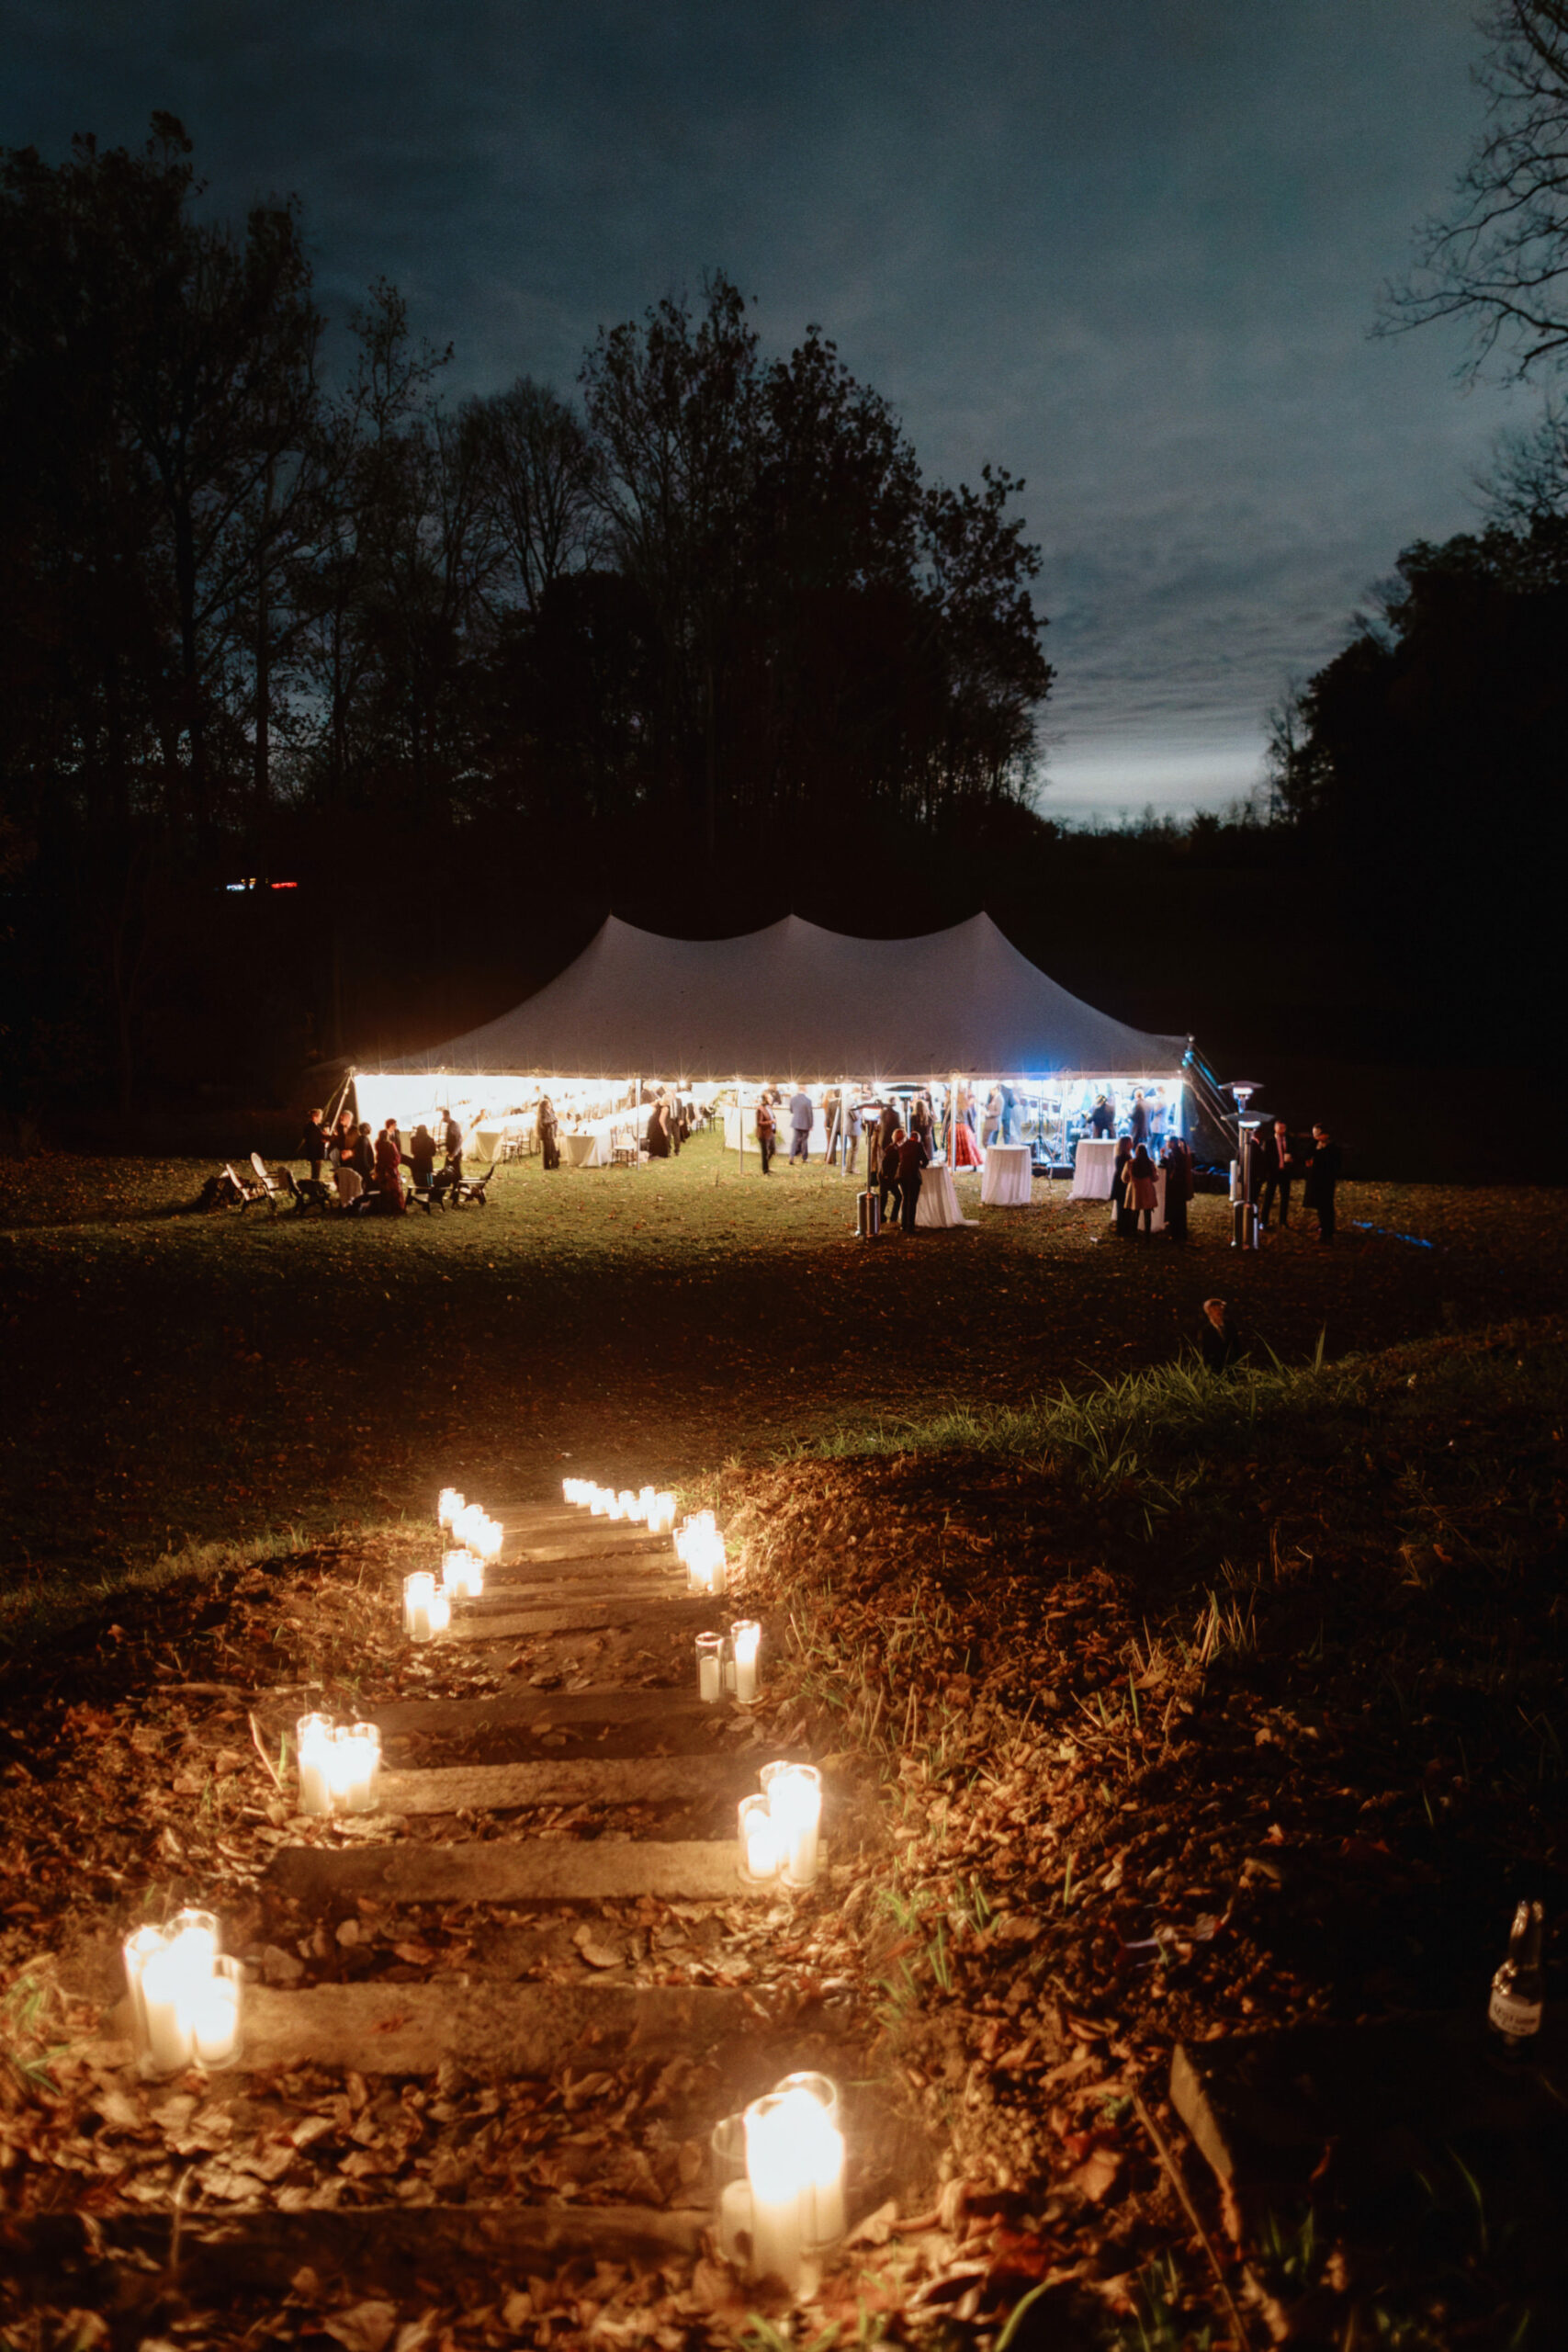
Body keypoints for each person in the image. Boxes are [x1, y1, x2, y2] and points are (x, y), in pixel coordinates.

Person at [1303, 1122, 1342, 1243]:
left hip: (1326, 1181)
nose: (1316, 1137)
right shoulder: (1315, 1145)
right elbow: (1306, 1156)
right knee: (1320, 1206)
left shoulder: (1332, 1148)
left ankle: (1327, 1231)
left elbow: (1335, 1165)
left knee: (1326, 1206)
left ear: (1326, 1134)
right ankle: (1322, 1225)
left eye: (1318, 1134)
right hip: (1315, 1181)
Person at [1258, 1118, 1295, 1230]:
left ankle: (1283, 1221)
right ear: (1275, 1128)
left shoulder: (1289, 1140)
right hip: (1273, 1173)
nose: (1282, 1130)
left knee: (1285, 1197)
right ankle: (1264, 1221)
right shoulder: (1269, 1142)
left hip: (1285, 1172)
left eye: (1284, 1128)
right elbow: (1264, 1160)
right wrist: (1266, 1173)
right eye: (1280, 1128)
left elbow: (1296, 1152)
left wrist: (1292, 1160)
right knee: (1269, 1197)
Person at [1160, 1131, 1192, 1245]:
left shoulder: (1175, 1153)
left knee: (1176, 1209)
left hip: (1176, 1187)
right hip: (1179, 1187)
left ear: (1172, 1143)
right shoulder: (1177, 1153)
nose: (1167, 1143)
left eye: (1168, 1142)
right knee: (1179, 1210)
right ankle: (1179, 1232)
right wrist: (1162, 1156)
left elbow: (1173, 1167)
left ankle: (1176, 1233)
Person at [897, 1121, 927, 1234]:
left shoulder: (903, 1145)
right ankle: (910, 1226)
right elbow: (925, 1160)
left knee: (905, 1199)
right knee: (912, 1201)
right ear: (918, 1139)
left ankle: (903, 1225)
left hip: (902, 1175)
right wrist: (921, 1165)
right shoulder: (918, 1145)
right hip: (913, 1176)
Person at [1200, 1297, 1242, 1374]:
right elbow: (1204, 1351)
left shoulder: (1230, 1325)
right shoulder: (1205, 1331)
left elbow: (1237, 1345)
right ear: (1209, 1312)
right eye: (1214, 1309)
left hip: (1232, 1366)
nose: (1218, 1311)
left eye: (1220, 1308)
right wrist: (1207, 1367)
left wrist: (1239, 1361)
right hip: (1215, 1367)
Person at [374, 1118, 407, 1215]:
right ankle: (396, 1208)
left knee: (384, 1188)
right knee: (394, 1189)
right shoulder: (391, 1145)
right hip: (390, 1168)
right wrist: (393, 1165)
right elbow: (396, 1158)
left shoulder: (378, 1144)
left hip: (381, 1168)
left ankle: (384, 1207)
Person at [1127, 1141, 1158, 1237]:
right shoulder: (1150, 1163)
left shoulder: (1130, 1163)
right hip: (1147, 1191)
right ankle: (1147, 1235)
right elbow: (1155, 1178)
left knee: (1135, 1213)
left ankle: (1133, 1233)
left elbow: (1124, 1178)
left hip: (1135, 1190)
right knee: (1147, 1214)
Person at [879, 1125, 906, 1230]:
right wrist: (885, 1175)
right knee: (887, 1198)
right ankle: (885, 1218)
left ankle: (886, 1218)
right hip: (886, 1177)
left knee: (888, 1197)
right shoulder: (893, 1149)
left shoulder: (894, 1148)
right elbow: (885, 1163)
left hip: (888, 1177)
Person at [1111, 1136, 1135, 1238]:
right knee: (1123, 1207)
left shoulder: (1121, 1157)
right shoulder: (1125, 1158)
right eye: (1130, 1142)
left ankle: (1123, 1228)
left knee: (1122, 1207)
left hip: (1120, 1184)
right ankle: (1124, 1229)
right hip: (1122, 1184)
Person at [299, 1108, 328, 1184]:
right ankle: (314, 1186)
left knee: (315, 1171)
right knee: (316, 1173)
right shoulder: (313, 1128)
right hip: (315, 1153)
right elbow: (316, 1140)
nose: (321, 1118)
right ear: (315, 1117)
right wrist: (325, 1138)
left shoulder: (312, 1126)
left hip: (313, 1153)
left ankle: (314, 1185)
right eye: (320, 1116)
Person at [406, 1124, 437, 1194]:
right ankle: (428, 1193)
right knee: (428, 1180)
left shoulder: (413, 1139)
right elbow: (433, 1153)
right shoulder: (430, 1140)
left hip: (417, 1162)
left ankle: (419, 1192)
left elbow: (413, 1151)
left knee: (418, 1179)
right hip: (427, 1163)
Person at [788, 1086, 814, 1166]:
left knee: (794, 1140)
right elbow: (810, 1114)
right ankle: (804, 1158)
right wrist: (811, 1124)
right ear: (805, 1090)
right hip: (805, 1123)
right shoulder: (808, 1101)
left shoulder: (793, 1099)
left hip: (796, 1123)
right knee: (804, 1141)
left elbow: (791, 1110)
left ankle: (791, 1156)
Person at [755, 1091, 776, 1175]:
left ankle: (765, 1165)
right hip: (763, 1134)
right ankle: (765, 1170)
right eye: (770, 1098)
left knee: (773, 1150)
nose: (772, 1099)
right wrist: (771, 1122)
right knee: (765, 1153)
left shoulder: (769, 1107)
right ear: (765, 1099)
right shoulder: (760, 1109)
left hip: (770, 1133)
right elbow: (759, 1123)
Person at [440, 1108, 463, 1185]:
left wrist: (455, 1153)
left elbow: (459, 1140)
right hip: (451, 1153)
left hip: (455, 1154)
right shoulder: (449, 1125)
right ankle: (454, 1191)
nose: (443, 1118)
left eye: (443, 1116)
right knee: (449, 1171)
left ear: (447, 1116)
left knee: (456, 1173)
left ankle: (463, 1189)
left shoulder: (454, 1125)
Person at [537, 1094, 559, 1170]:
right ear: (545, 1105)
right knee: (547, 1150)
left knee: (552, 1149)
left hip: (551, 1134)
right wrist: (552, 1122)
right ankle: (547, 1165)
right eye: (549, 1104)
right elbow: (544, 1122)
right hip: (546, 1134)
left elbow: (554, 1119)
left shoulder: (550, 1112)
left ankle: (554, 1164)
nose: (550, 1105)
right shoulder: (543, 1113)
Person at [646, 1095, 671, 1159]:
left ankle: (653, 1153)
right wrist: (665, 1130)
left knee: (653, 1137)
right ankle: (660, 1154)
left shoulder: (658, 1103)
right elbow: (661, 1120)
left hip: (652, 1121)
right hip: (657, 1124)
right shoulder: (665, 1108)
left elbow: (650, 1105)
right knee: (660, 1137)